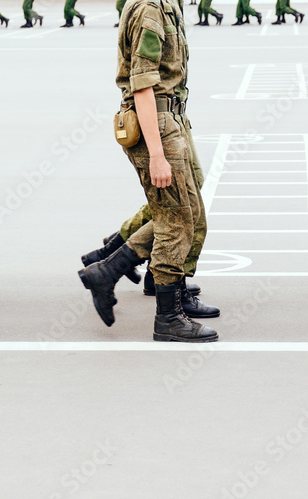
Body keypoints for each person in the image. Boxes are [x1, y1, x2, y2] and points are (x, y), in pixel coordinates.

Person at [79, 0, 219, 342]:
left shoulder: (164, 5)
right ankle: (168, 318)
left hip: (169, 118)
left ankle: (108, 269)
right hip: (155, 122)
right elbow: (142, 85)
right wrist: (157, 154)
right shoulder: (149, 9)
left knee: (186, 213)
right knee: (176, 221)